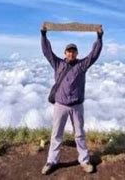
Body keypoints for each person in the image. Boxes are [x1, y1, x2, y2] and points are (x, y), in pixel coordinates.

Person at [40, 24, 103, 175]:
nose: (71, 53)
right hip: (60, 105)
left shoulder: (82, 65)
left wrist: (99, 38)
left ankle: (85, 160)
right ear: (65, 53)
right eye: (69, 51)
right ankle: (52, 161)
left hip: (77, 106)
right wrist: (43, 35)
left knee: (79, 134)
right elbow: (47, 52)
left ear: (76, 53)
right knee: (56, 134)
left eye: (73, 51)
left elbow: (94, 54)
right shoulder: (58, 64)